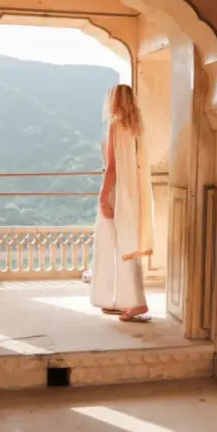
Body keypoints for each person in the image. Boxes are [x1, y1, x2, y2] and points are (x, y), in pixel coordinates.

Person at [90, 84, 154, 322]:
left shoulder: (116, 126)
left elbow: (112, 167)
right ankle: (122, 300)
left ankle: (137, 303)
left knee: (115, 244)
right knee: (127, 244)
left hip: (117, 192)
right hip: (133, 193)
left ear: (114, 101)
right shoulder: (137, 128)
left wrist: (103, 196)